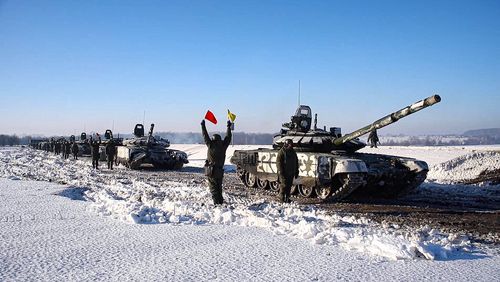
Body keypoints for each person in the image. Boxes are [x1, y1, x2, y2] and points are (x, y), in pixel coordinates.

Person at [201, 119, 232, 205]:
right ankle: (220, 202)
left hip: (211, 171)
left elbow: (205, 136)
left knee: (213, 188)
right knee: (219, 187)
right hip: (220, 171)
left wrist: (203, 126)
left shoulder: (211, 145)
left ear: (213, 139)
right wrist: (228, 127)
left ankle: (217, 204)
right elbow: (228, 138)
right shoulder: (223, 146)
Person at [276, 139, 299, 203]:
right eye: (289, 144)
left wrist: (296, 170)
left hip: (291, 172)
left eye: (291, 144)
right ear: (286, 144)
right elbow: (278, 162)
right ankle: (281, 198)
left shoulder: (293, 152)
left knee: (289, 186)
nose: (290, 145)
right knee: (284, 185)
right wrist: (280, 171)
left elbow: (296, 161)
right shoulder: (282, 152)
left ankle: (287, 197)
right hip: (284, 172)